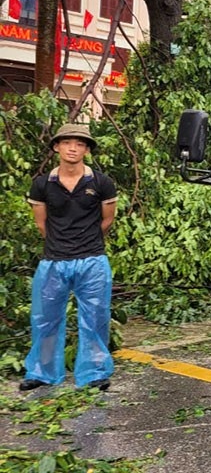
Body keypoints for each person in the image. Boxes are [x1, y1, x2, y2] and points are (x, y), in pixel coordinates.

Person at [20, 124, 118, 392]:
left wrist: (83, 240)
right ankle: (42, 372)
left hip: (92, 260)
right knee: (45, 318)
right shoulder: (42, 184)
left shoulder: (101, 182)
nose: (73, 148)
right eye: (67, 143)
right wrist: (62, 243)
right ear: (56, 147)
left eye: (80, 144)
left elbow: (107, 219)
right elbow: (42, 224)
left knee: (95, 317)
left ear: (86, 150)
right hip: (53, 260)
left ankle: (94, 373)